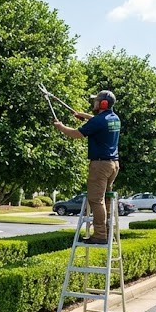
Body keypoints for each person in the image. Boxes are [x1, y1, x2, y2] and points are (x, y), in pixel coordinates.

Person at [53, 90, 121, 245]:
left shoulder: (98, 122)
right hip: (113, 165)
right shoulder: (114, 118)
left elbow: (77, 134)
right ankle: (107, 231)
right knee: (106, 199)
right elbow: (97, 120)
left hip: (100, 165)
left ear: (103, 103)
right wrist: (83, 116)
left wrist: (61, 127)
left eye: (96, 101)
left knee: (96, 200)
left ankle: (100, 235)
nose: (94, 103)